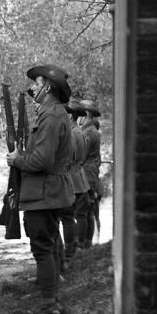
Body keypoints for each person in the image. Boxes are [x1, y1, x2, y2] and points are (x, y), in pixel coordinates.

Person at [6, 65, 75, 314]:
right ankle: (54, 302)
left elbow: (42, 160)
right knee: (50, 245)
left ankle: (48, 310)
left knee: (43, 250)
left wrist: (17, 160)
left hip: (44, 192)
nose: (32, 87)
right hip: (51, 191)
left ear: (47, 87)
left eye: (36, 83)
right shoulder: (55, 114)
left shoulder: (50, 116)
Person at [56, 99, 89, 274]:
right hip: (78, 177)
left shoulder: (72, 133)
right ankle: (72, 251)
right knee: (72, 217)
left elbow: (69, 158)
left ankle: (69, 254)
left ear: (70, 115)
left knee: (67, 218)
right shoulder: (78, 131)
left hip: (72, 178)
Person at [79, 99, 102, 249]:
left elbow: (81, 156)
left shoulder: (88, 132)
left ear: (86, 113)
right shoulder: (90, 130)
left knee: (82, 211)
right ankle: (86, 243)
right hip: (89, 173)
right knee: (87, 211)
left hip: (86, 174)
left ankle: (83, 244)